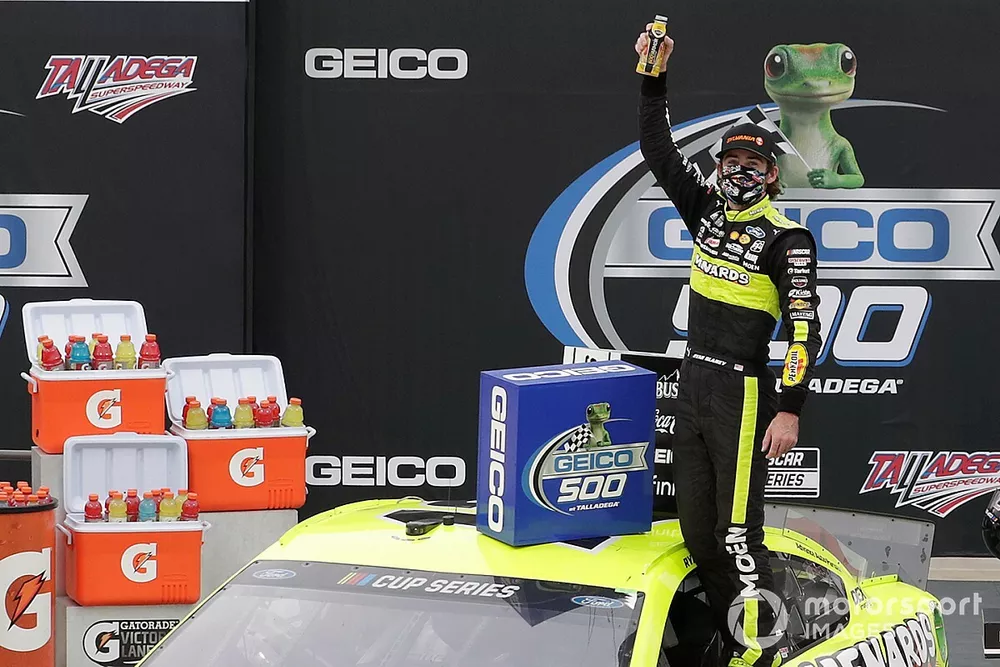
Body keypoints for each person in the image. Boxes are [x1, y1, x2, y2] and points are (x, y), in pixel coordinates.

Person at [635, 24, 822, 667]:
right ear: (718, 169)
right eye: (730, 162)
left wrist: (790, 407)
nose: (739, 172)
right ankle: (728, 639)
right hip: (692, 383)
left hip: (743, 392)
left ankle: (761, 651)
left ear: (772, 175)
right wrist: (652, 80)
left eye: (753, 164)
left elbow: (804, 327)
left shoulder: (788, 240)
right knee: (695, 532)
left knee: (737, 532)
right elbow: (658, 152)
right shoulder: (703, 210)